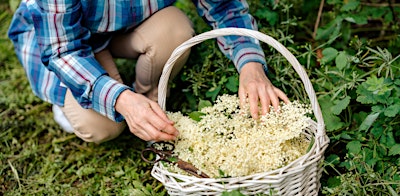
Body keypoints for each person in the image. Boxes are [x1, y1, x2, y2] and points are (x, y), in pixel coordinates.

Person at [8, 0, 289, 144]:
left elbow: (224, 6)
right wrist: (120, 100)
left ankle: (148, 102)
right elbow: (61, 50)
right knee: (102, 126)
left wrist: (251, 65)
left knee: (174, 29)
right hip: (65, 41)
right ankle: (101, 104)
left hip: (125, 23)